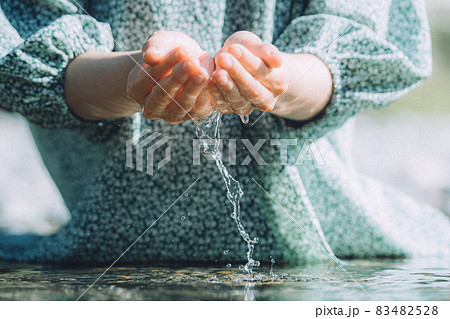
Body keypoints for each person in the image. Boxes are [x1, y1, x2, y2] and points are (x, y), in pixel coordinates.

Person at [0, 0, 449, 266]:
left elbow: (350, 49)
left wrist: (277, 79)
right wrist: (132, 80)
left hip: (320, 229)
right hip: (101, 239)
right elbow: (31, 52)